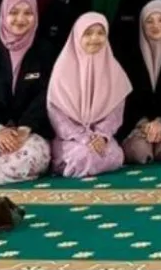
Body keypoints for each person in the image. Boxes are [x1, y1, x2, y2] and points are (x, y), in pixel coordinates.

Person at [0, 0, 55, 186]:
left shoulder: (45, 50)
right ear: (4, 14)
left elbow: (47, 94)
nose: (20, 19)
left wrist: (24, 127)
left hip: (31, 131)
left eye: (27, 13)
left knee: (29, 157)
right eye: (13, 12)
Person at [46, 13, 132, 177]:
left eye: (100, 33)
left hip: (101, 137)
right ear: (77, 36)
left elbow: (115, 113)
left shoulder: (114, 70)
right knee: (83, 156)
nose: (95, 38)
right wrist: (85, 138)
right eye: (88, 33)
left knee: (115, 155)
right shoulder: (62, 70)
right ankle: (70, 165)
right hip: (70, 139)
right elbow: (57, 115)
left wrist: (100, 135)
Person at [115, 0, 161, 165]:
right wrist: (144, 123)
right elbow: (125, 98)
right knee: (139, 152)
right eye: (149, 21)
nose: (156, 26)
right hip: (137, 124)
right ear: (142, 24)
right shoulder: (129, 56)